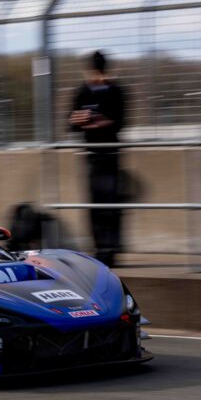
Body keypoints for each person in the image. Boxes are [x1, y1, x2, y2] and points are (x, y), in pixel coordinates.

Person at [69, 51, 125, 267]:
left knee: (110, 205)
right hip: (91, 155)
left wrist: (99, 121)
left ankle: (110, 251)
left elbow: (120, 122)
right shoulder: (82, 92)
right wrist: (79, 119)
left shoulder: (116, 91)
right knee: (95, 205)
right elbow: (72, 124)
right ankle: (99, 249)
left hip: (110, 153)